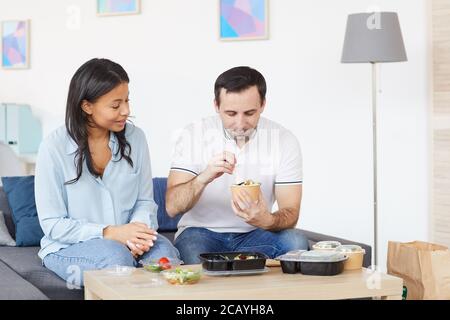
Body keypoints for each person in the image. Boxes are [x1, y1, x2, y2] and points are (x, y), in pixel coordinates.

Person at [35, 58, 179, 287]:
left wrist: (137, 235)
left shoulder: (136, 138)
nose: (126, 111)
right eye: (115, 105)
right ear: (87, 106)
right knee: (116, 259)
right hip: (68, 246)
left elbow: (144, 201)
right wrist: (110, 233)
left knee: (166, 258)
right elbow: (53, 224)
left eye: (127, 100)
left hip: (127, 240)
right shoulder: (53, 148)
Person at [166, 66, 309, 264]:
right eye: (231, 113)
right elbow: (172, 207)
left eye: (249, 113)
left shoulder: (284, 140)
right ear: (216, 105)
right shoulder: (193, 134)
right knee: (193, 256)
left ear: (263, 105)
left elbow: (291, 213)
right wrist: (204, 177)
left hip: (256, 234)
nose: (240, 123)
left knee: (296, 241)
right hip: (200, 232)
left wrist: (266, 219)